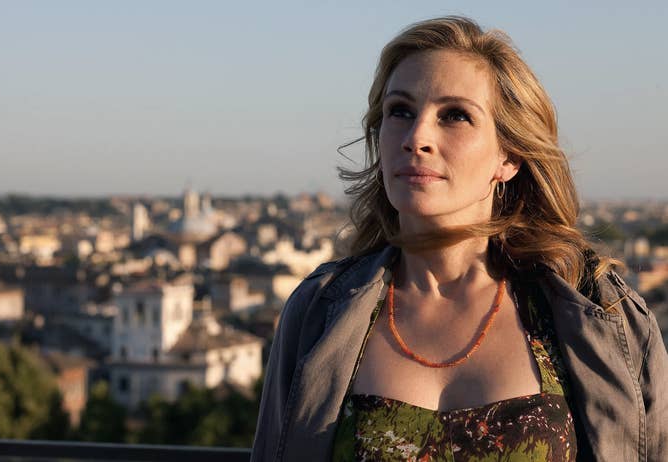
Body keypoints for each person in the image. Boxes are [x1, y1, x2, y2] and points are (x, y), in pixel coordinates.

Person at [251, 16, 668, 462]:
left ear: (508, 156)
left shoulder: (597, 312)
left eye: (455, 116)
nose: (417, 137)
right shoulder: (319, 312)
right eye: (400, 111)